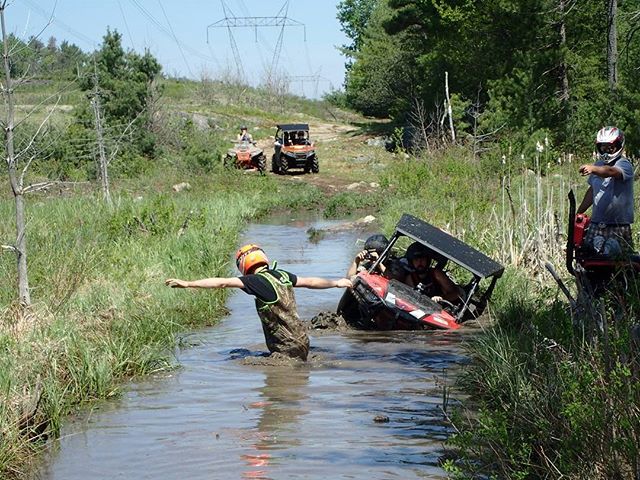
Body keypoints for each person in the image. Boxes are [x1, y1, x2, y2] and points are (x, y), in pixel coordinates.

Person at [165, 244, 352, 361]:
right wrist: (336, 282)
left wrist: (188, 283)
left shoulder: (254, 282)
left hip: (284, 349)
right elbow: (310, 282)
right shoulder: (282, 275)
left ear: (244, 266)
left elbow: (222, 282)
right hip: (303, 343)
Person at [577, 126, 634, 256]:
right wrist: (579, 212)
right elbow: (592, 191)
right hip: (597, 223)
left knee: (617, 258)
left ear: (619, 146)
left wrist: (592, 169)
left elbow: (610, 172)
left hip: (618, 225)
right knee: (590, 255)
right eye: (603, 147)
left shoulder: (624, 165)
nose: (606, 151)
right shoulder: (598, 165)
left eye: (610, 147)